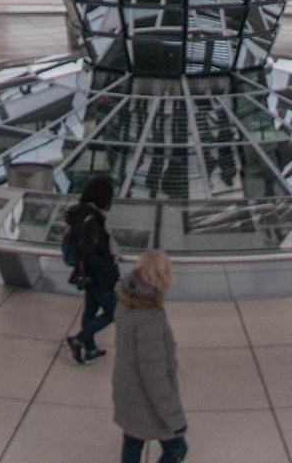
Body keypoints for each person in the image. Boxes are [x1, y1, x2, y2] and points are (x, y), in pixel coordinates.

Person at [113, 250, 186, 463]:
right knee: (177, 449)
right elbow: (155, 378)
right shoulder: (149, 320)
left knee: (132, 443)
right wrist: (175, 419)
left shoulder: (126, 300)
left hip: (127, 391)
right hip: (146, 403)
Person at [64, 173, 120, 363]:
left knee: (90, 310)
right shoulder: (93, 220)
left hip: (87, 275)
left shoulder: (79, 214)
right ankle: (77, 340)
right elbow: (91, 251)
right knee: (113, 312)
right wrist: (109, 264)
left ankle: (90, 349)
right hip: (100, 276)